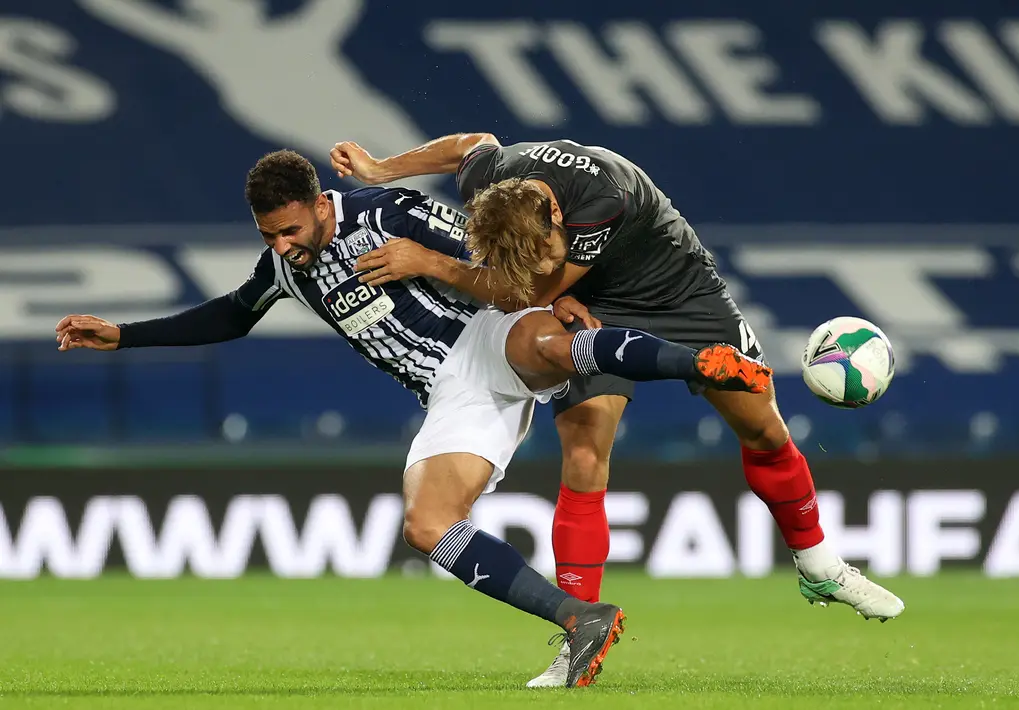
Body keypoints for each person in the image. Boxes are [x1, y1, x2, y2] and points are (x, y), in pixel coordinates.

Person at [53, 149, 773, 689]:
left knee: (546, 342)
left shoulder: (386, 212)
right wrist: (125, 334)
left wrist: (473, 275)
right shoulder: (285, 268)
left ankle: (700, 363)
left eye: (290, 229)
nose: (282, 245)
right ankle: (579, 619)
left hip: (486, 336)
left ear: (319, 203)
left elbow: (500, 260)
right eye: (269, 235)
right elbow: (229, 316)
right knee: (425, 525)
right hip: (448, 394)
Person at [329, 135, 907, 688]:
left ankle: (820, 566)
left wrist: (434, 262)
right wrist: (383, 169)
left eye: (545, 253)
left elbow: (525, 294)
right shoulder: (497, 177)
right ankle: (578, 633)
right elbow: (469, 145)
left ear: (557, 217)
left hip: (678, 288)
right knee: (583, 454)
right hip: (593, 304)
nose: (539, 262)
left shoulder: (602, 198)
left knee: (762, 429)